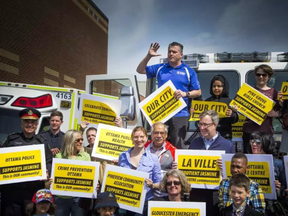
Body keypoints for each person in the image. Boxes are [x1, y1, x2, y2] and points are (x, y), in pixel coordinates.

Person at [136, 42, 201, 149]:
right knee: (157, 143)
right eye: (169, 51)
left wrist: (185, 93)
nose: (171, 54)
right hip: (162, 113)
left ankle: (175, 166)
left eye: (174, 52)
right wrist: (149, 56)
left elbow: (198, 92)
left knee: (178, 145)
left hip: (180, 114)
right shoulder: (160, 68)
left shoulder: (188, 71)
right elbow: (139, 70)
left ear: (181, 54)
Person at [1, 108, 53, 216]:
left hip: (32, 192)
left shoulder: (42, 142)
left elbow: (49, 161)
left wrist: (46, 172)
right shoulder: (11, 140)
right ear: (21, 124)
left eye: (33, 122)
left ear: (37, 125)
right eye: (27, 121)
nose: (30, 124)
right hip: (11, 192)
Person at [188, 110, 235, 215]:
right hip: (196, 193)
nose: (201, 127)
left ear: (215, 125)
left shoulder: (227, 145)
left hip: (217, 194)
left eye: (205, 124)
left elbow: (234, 173)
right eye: (200, 124)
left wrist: (225, 168)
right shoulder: (194, 143)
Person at [118, 126, 162, 216]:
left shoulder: (153, 159)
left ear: (146, 138)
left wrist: (152, 185)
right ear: (132, 138)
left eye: (142, 137)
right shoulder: (122, 156)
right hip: (125, 202)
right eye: (136, 137)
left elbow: (160, 184)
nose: (139, 139)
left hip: (145, 203)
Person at [242, 64, 281, 153]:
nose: (261, 77)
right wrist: (235, 109)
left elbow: (281, 111)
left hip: (266, 132)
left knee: (265, 159)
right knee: (248, 159)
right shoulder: (248, 90)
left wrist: (276, 113)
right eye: (258, 74)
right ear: (255, 75)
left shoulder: (275, 92)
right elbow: (240, 106)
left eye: (264, 75)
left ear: (269, 77)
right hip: (249, 131)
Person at [54, 130, 91, 216]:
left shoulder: (86, 156)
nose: (81, 142)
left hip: (78, 198)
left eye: (82, 139)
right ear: (70, 140)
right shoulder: (59, 156)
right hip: (61, 198)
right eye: (78, 140)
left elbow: (89, 175)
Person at [249, 131, 287, 215]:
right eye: (252, 141)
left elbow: (285, 187)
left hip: (270, 208)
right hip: (251, 205)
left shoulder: (277, 164)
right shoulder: (245, 162)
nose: (254, 144)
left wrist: (278, 188)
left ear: (266, 143)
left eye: (258, 142)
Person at [205, 75, 238, 140]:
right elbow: (199, 121)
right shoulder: (207, 101)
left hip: (225, 137)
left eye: (219, 86)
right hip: (209, 137)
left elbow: (234, 120)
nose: (216, 88)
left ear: (224, 87)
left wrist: (232, 114)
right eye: (214, 86)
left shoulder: (230, 102)